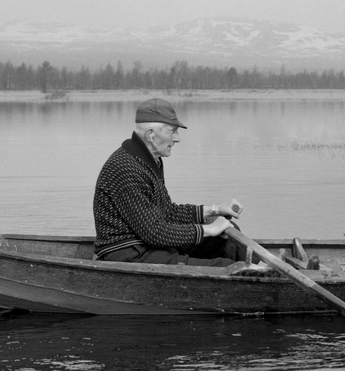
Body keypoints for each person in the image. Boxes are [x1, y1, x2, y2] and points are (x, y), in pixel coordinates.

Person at [93, 97, 248, 267]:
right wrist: (207, 229)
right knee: (224, 266)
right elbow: (153, 232)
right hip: (126, 252)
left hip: (147, 244)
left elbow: (167, 212)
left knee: (226, 240)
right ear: (151, 135)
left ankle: (259, 271)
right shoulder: (126, 168)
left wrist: (214, 210)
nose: (177, 138)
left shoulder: (149, 160)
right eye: (172, 131)